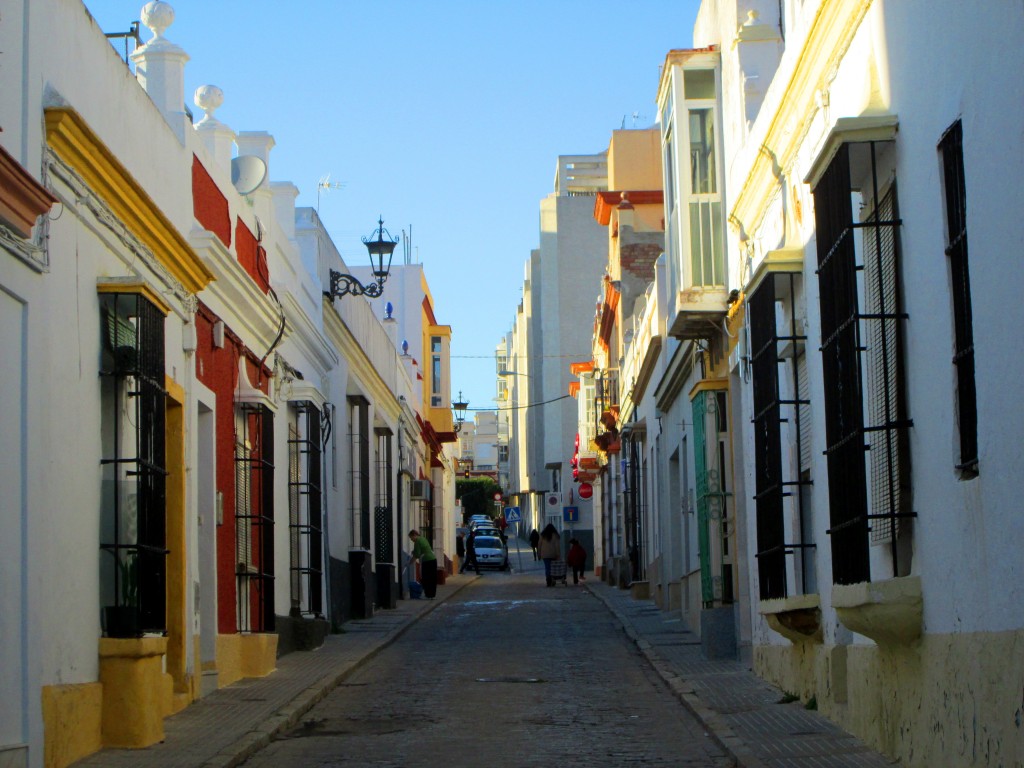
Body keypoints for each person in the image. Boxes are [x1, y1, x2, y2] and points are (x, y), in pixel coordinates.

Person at [408, 529, 438, 599]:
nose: (411, 540)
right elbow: (423, 549)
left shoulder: (417, 541)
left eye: (411, 538)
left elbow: (417, 555)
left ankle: (428, 594)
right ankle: (432, 595)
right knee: (432, 578)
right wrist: (414, 552)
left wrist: (410, 563)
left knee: (426, 578)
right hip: (433, 559)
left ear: (414, 535)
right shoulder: (423, 538)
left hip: (427, 561)